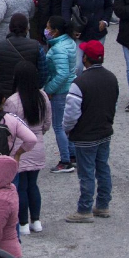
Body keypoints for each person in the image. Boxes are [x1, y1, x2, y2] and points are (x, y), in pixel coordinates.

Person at [62, 42, 119, 222]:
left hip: (85, 135)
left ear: (85, 58)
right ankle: (103, 205)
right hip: (104, 131)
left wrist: (67, 129)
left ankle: (85, 209)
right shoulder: (111, 78)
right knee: (103, 169)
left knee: (86, 173)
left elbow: (71, 114)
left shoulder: (79, 83)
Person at [3, 61, 50, 234]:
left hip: (19, 148)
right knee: (33, 185)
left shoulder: (12, 101)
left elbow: (8, 129)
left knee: (21, 186)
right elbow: (47, 123)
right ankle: (36, 220)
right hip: (37, 145)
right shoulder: (43, 96)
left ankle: (22, 223)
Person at [43, 16, 79, 173]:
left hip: (60, 91)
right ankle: (72, 155)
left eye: (48, 27)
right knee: (67, 125)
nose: (46, 30)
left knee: (59, 127)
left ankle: (65, 161)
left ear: (56, 31)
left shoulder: (58, 49)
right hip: (70, 88)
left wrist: (49, 90)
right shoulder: (69, 42)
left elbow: (62, 73)